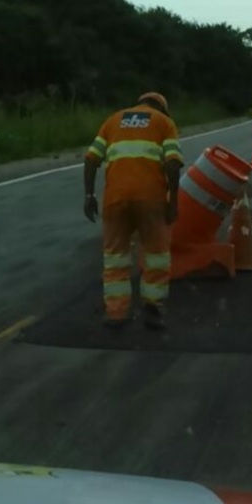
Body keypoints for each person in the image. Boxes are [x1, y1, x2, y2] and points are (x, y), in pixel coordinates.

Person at [83, 92, 184, 330]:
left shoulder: (113, 120)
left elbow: (90, 159)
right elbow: (172, 162)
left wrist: (89, 195)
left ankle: (116, 313)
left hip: (115, 199)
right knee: (156, 254)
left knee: (115, 256)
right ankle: (153, 308)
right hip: (151, 199)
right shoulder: (163, 122)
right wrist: (173, 200)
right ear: (161, 107)